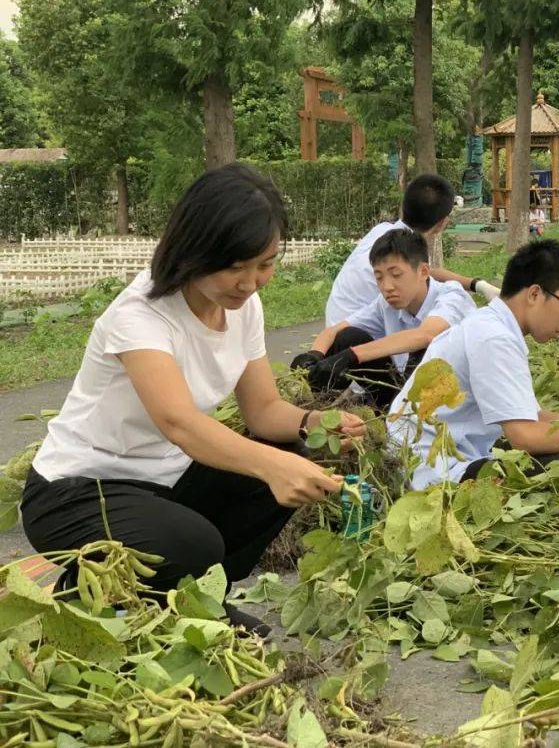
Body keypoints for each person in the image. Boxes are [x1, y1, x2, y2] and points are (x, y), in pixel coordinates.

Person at [20, 164, 366, 636]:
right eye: (234, 267)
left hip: (165, 480)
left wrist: (316, 423)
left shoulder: (241, 308)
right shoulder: (140, 316)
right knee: (199, 538)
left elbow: (264, 411)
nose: (250, 282)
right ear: (195, 250)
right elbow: (179, 423)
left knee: (292, 452)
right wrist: (270, 467)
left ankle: (202, 597)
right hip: (77, 491)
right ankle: (86, 588)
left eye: (265, 264)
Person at [387, 240, 559, 490]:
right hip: (431, 471)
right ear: (534, 293)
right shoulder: (494, 338)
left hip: (437, 450)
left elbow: (532, 416)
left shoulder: (492, 324)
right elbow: (524, 435)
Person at [290, 229, 476, 407]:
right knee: (347, 337)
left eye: (396, 275)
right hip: (403, 390)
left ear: (423, 272)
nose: (387, 286)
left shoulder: (452, 296)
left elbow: (425, 335)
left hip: (452, 400)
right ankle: (318, 407)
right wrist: (313, 357)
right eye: (379, 278)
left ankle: (405, 423)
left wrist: (352, 355)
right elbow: (334, 331)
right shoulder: (385, 304)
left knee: (421, 351)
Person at [325, 174, 493, 326]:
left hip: (337, 326)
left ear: (404, 206)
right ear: (442, 223)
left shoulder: (382, 231)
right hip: (362, 336)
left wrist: (476, 284)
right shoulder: (406, 248)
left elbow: (429, 273)